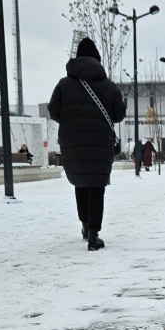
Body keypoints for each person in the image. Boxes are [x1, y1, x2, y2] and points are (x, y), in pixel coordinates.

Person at [48, 37, 126, 251]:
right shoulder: (109, 87)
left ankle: (85, 225)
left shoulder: (63, 85)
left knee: (80, 183)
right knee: (96, 186)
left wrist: (73, 122)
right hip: (101, 143)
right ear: (97, 60)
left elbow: (54, 111)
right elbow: (119, 115)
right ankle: (94, 233)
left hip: (72, 143)